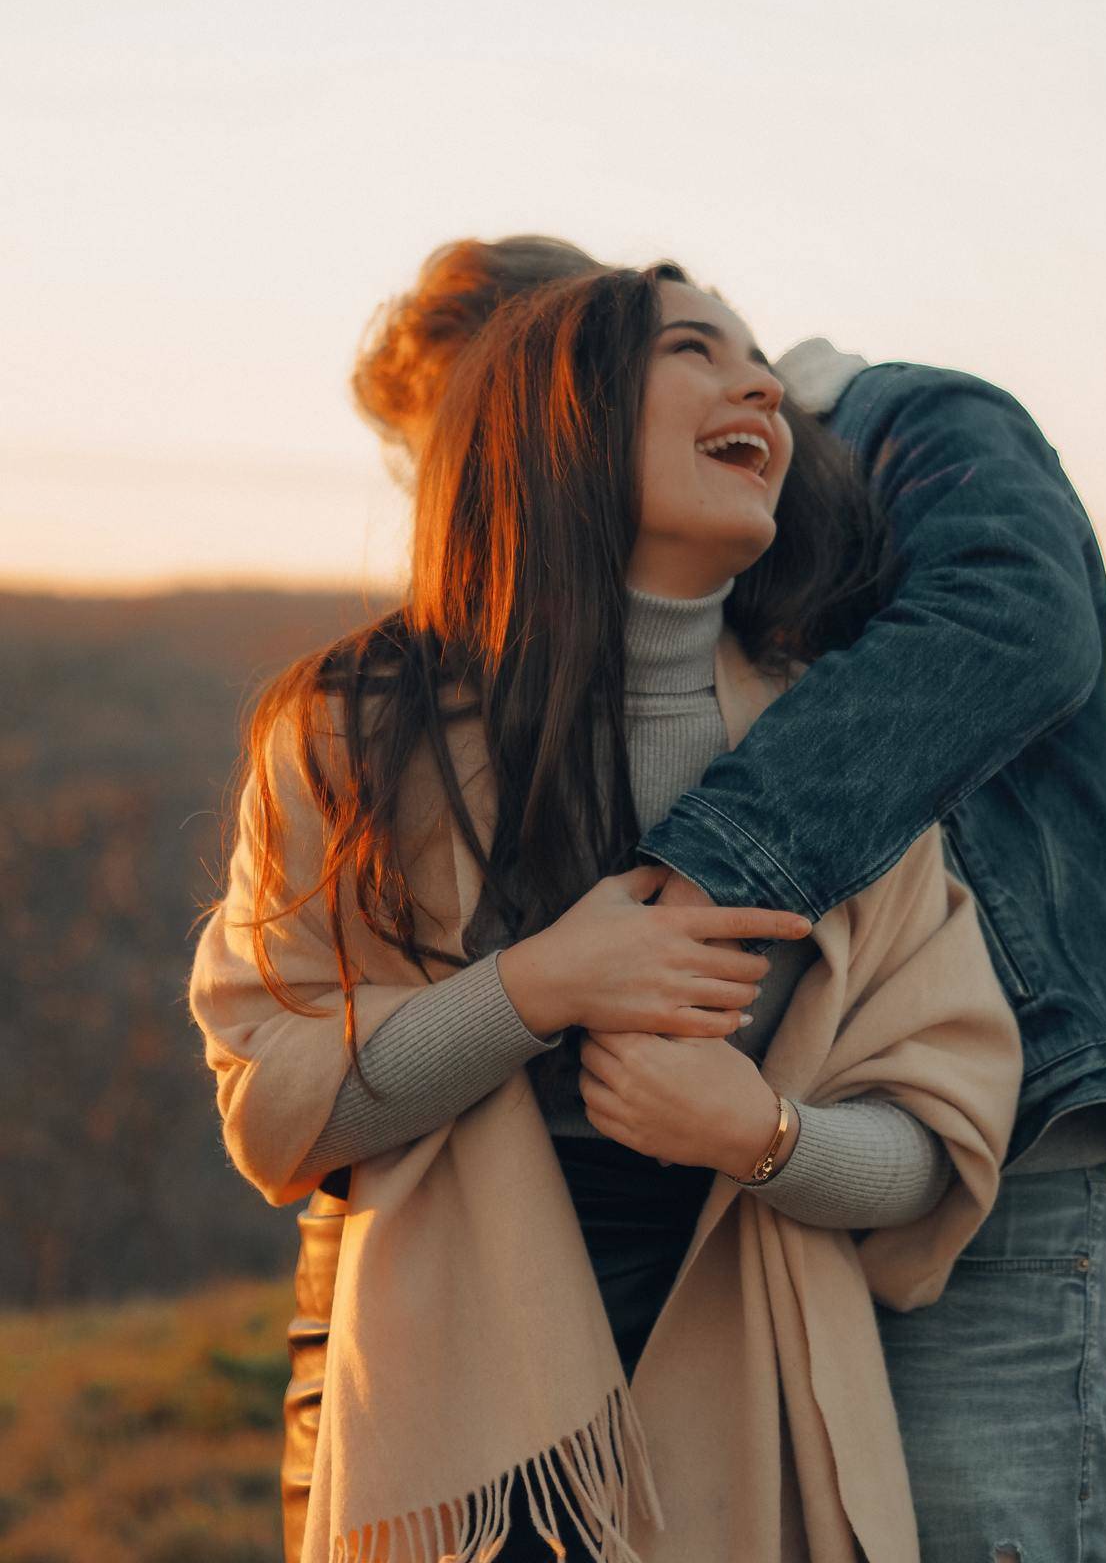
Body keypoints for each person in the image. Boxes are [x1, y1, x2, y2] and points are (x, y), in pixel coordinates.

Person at [337, 233, 1106, 1563]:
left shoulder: (911, 424)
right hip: (753, 1198)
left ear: (578, 350)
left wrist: (696, 881)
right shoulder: (423, 701)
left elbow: (1016, 618)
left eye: (501, 408)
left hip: (1003, 1150)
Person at [190, 260, 1020, 1562]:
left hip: (757, 1398)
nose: (760, 383)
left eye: (759, 361)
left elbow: (942, 1143)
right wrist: (535, 989)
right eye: (695, 347)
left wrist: (767, 1134)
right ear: (550, 412)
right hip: (464, 1433)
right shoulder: (350, 730)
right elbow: (276, 1106)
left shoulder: (849, 744)